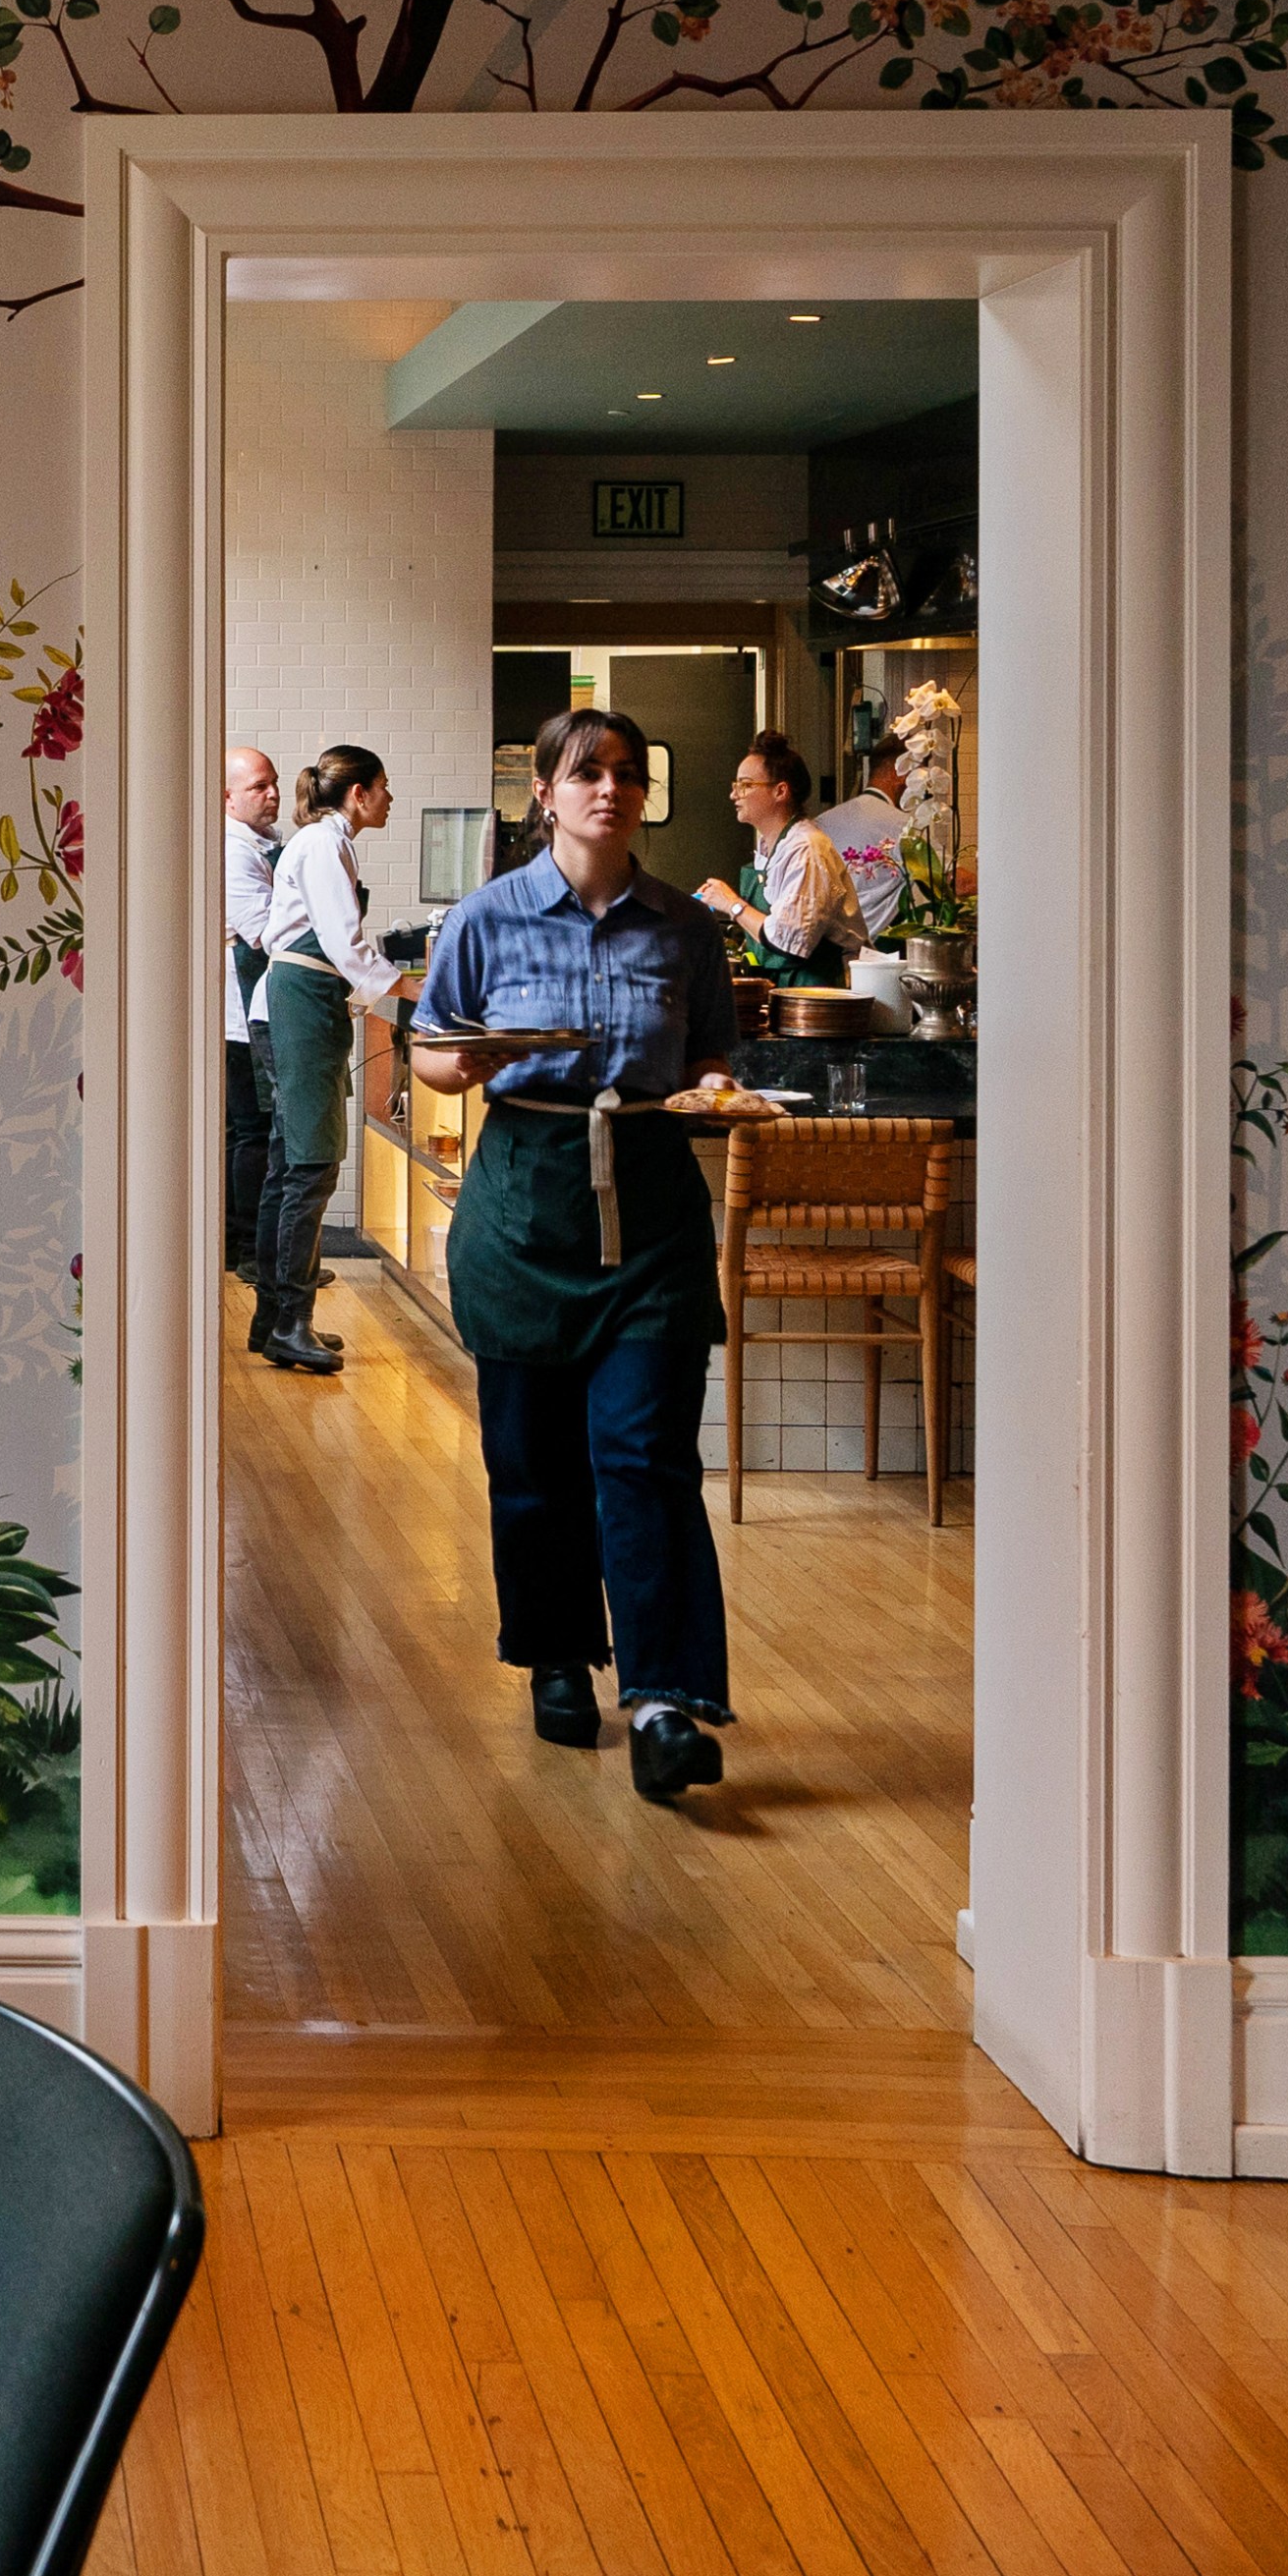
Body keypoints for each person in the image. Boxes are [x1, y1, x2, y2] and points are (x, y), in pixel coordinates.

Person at [411, 705, 740, 1801]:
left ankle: (664, 1700)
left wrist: (719, 1099)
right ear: (544, 792)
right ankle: (557, 1654)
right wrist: (459, 1067)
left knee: (645, 1455)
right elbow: (435, 1050)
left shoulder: (687, 928)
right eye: (586, 772)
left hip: (648, 1206)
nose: (609, 789)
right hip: (525, 1203)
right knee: (533, 1461)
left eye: (627, 774)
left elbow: (707, 1061)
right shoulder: (486, 918)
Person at [249, 743, 406, 1377]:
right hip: (298, 1005)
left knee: (290, 1166)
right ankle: (290, 1323)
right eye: (385, 786)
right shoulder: (322, 844)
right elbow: (344, 943)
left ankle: (275, 1320)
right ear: (359, 793)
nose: (391, 798)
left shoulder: (327, 842)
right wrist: (407, 988)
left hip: (302, 1004)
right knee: (310, 1166)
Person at [699, 731, 864, 981]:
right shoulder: (771, 849)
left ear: (780, 791)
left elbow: (789, 942)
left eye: (745, 785)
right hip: (786, 992)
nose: (735, 795)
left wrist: (731, 903)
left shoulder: (807, 849)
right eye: (736, 786)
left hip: (820, 997)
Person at [224, 748, 282, 1279]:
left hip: (246, 1009)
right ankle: (248, 1251)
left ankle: (247, 1248)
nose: (272, 795)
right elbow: (263, 932)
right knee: (252, 1132)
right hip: (237, 1014)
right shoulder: (233, 852)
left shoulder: (260, 846)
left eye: (274, 784)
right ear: (227, 797)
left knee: (243, 1132)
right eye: (259, 787)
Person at [816, 732, 910, 938]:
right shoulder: (903, 825)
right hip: (875, 945)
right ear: (899, 772)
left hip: (829, 942)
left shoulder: (822, 822)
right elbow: (952, 880)